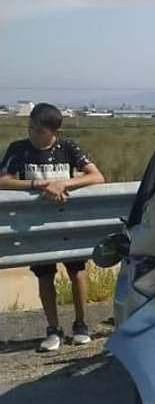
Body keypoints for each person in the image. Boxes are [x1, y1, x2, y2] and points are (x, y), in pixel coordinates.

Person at [0, 103, 106, 352]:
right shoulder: (19, 149)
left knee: (76, 271)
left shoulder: (67, 148)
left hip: (67, 220)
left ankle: (81, 324)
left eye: (39, 130)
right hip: (36, 224)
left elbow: (96, 176)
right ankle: (53, 328)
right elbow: (3, 180)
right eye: (30, 128)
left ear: (54, 132)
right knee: (44, 274)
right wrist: (36, 185)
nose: (33, 134)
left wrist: (64, 184)